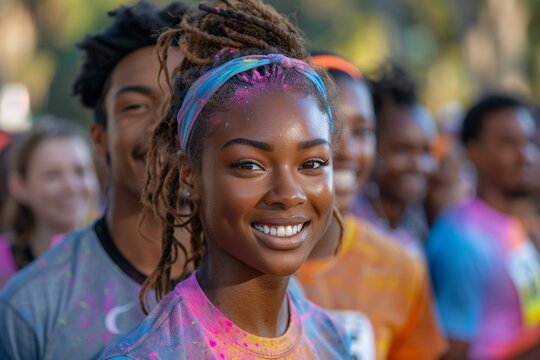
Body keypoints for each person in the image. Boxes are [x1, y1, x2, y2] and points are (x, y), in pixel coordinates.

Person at [101, 1, 357, 358]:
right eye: (250, 165)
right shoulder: (149, 353)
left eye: (312, 163)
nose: (288, 194)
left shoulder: (334, 341)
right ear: (190, 174)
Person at [0, 2, 189, 359]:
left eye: (181, 102)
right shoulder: (32, 306)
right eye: (135, 106)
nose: (162, 126)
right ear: (100, 136)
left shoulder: (255, 281)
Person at [297, 53, 446, 360]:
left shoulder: (401, 268)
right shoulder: (231, 267)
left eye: (362, 131)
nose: (348, 149)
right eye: (328, 124)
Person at [427, 94, 540, 360]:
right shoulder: (460, 238)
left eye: (530, 142)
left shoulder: (517, 223)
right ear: (473, 151)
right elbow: (451, 354)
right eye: (508, 143)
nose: (525, 155)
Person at [0, 118, 99, 288]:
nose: (70, 186)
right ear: (19, 186)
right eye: (52, 175)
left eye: (80, 171)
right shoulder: (4, 267)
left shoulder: (119, 258)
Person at [352, 64, 436, 256]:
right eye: (402, 150)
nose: (418, 165)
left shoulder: (418, 220)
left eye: (425, 151)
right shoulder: (349, 225)